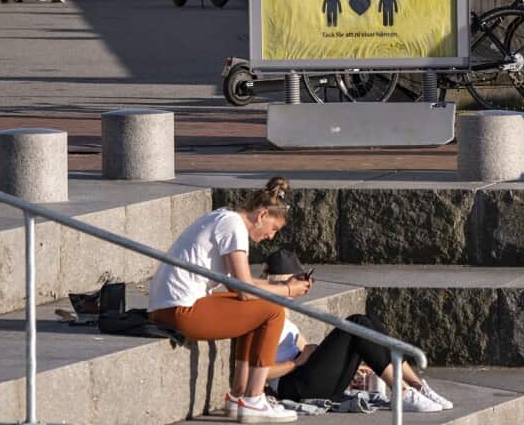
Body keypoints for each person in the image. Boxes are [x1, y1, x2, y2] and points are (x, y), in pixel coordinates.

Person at [147, 178, 304, 423]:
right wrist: (287, 290)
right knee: (273, 310)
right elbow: (245, 289)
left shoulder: (225, 217)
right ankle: (254, 397)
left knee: (256, 307)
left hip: (168, 306)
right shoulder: (234, 227)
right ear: (262, 215)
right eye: (274, 229)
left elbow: (239, 286)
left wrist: (282, 286)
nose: (271, 237)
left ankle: (239, 395)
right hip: (180, 309)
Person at [259, 251, 453, 413]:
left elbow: (306, 350)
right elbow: (260, 371)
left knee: (368, 321)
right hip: (294, 388)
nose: (303, 286)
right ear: (282, 282)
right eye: (299, 280)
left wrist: (343, 360)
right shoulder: (263, 315)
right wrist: (297, 362)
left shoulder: (283, 314)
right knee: (356, 323)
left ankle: (415, 386)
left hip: (312, 380)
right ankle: (402, 393)